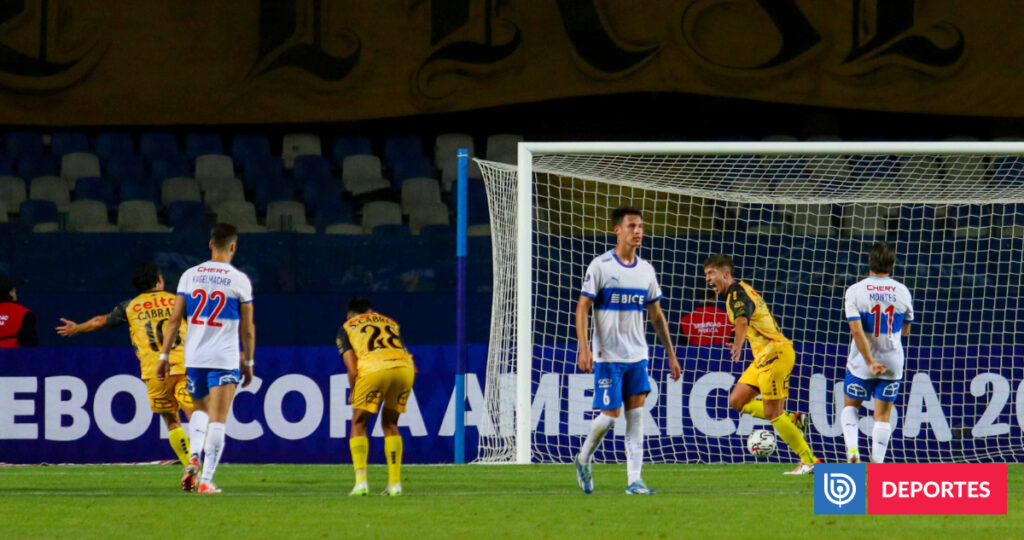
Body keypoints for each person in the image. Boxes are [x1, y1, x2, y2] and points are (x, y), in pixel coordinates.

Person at [574, 206, 681, 495]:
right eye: (632, 225)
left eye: (641, 226)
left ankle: (635, 480)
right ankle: (583, 458)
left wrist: (670, 353)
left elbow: (657, 316)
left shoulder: (646, 270)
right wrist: (584, 348)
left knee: (636, 418)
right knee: (610, 417)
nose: (638, 231)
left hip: (638, 356)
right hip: (607, 356)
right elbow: (582, 307)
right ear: (617, 230)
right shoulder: (601, 266)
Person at [56, 262, 193, 478]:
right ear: (159, 280)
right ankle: (201, 460)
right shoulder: (178, 301)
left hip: (155, 371)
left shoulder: (130, 307)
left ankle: (190, 465)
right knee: (195, 414)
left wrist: (77, 328)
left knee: (172, 421)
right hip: (185, 365)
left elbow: (100, 321)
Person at [157, 223, 255, 494]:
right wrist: (248, 362)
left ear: (210, 244)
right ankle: (207, 480)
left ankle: (193, 457)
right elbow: (247, 327)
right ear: (233, 246)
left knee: (200, 411)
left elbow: (175, 320)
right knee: (218, 419)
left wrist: (164, 356)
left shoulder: (190, 275)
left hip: (195, 357)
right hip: (224, 357)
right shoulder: (239, 280)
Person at [703, 254, 819, 474]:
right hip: (762, 358)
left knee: (772, 412)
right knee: (737, 401)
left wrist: (737, 344)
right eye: (706, 274)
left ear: (726, 274)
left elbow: (742, 320)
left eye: (711, 273)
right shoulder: (739, 291)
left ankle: (809, 460)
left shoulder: (736, 293)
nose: (708, 279)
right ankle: (793, 420)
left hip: (775, 354)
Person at [840, 242, 913, 464]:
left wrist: (870, 361)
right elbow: (906, 329)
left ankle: (853, 450)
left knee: (851, 407)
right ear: (892, 264)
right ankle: (878, 463)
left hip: (862, 362)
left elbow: (855, 329)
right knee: (882, 415)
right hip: (892, 361)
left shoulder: (856, 290)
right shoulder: (902, 291)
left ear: (869, 262)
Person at [337, 297, 416, 497]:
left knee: (359, 422)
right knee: (390, 424)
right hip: (405, 369)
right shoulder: (390, 322)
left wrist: (355, 391)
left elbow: (352, 368)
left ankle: (361, 483)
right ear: (371, 312)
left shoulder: (347, 327)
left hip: (373, 369)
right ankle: (395, 485)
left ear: (350, 315)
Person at [0, 277, 38, 347]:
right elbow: (31, 344)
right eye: (14, 290)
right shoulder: (23, 313)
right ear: (10, 293)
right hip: (14, 356)